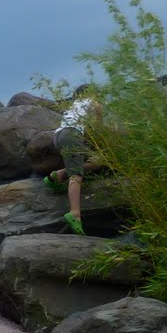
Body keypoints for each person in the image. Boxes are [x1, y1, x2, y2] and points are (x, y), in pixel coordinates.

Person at [46, 83, 100, 235]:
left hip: (59, 136)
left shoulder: (74, 106)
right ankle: (75, 213)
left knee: (99, 160)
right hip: (71, 134)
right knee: (76, 174)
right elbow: (97, 126)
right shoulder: (93, 103)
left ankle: (59, 174)